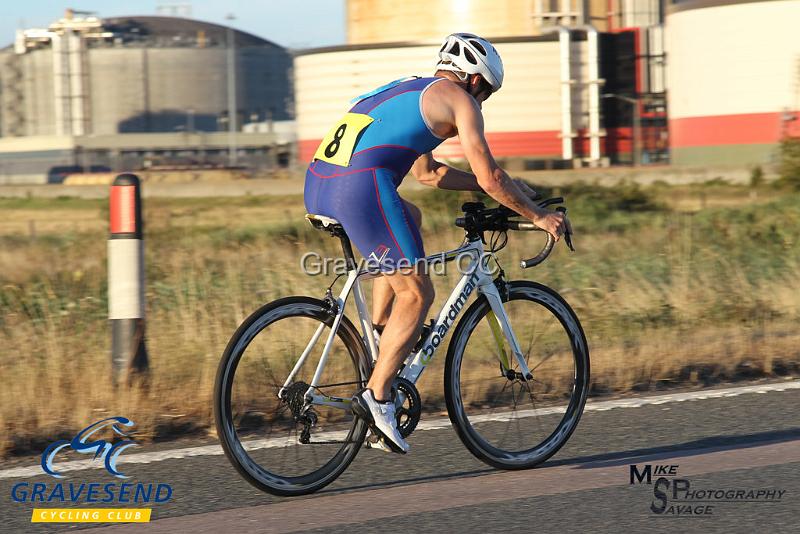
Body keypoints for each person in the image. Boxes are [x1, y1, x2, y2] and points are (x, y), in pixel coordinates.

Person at [304, 33, 571, 453]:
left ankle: (380, 335)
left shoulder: (411, 90)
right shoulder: (459, 101)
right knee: (418, 293)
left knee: (409, 218)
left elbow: (429, 175)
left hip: (319, 184)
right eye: (486, 91)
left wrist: (498, 190)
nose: (483, 102)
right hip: (359, 188)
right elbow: (489, 175)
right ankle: (376, 399)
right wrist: (537, 215)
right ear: (473, 79)